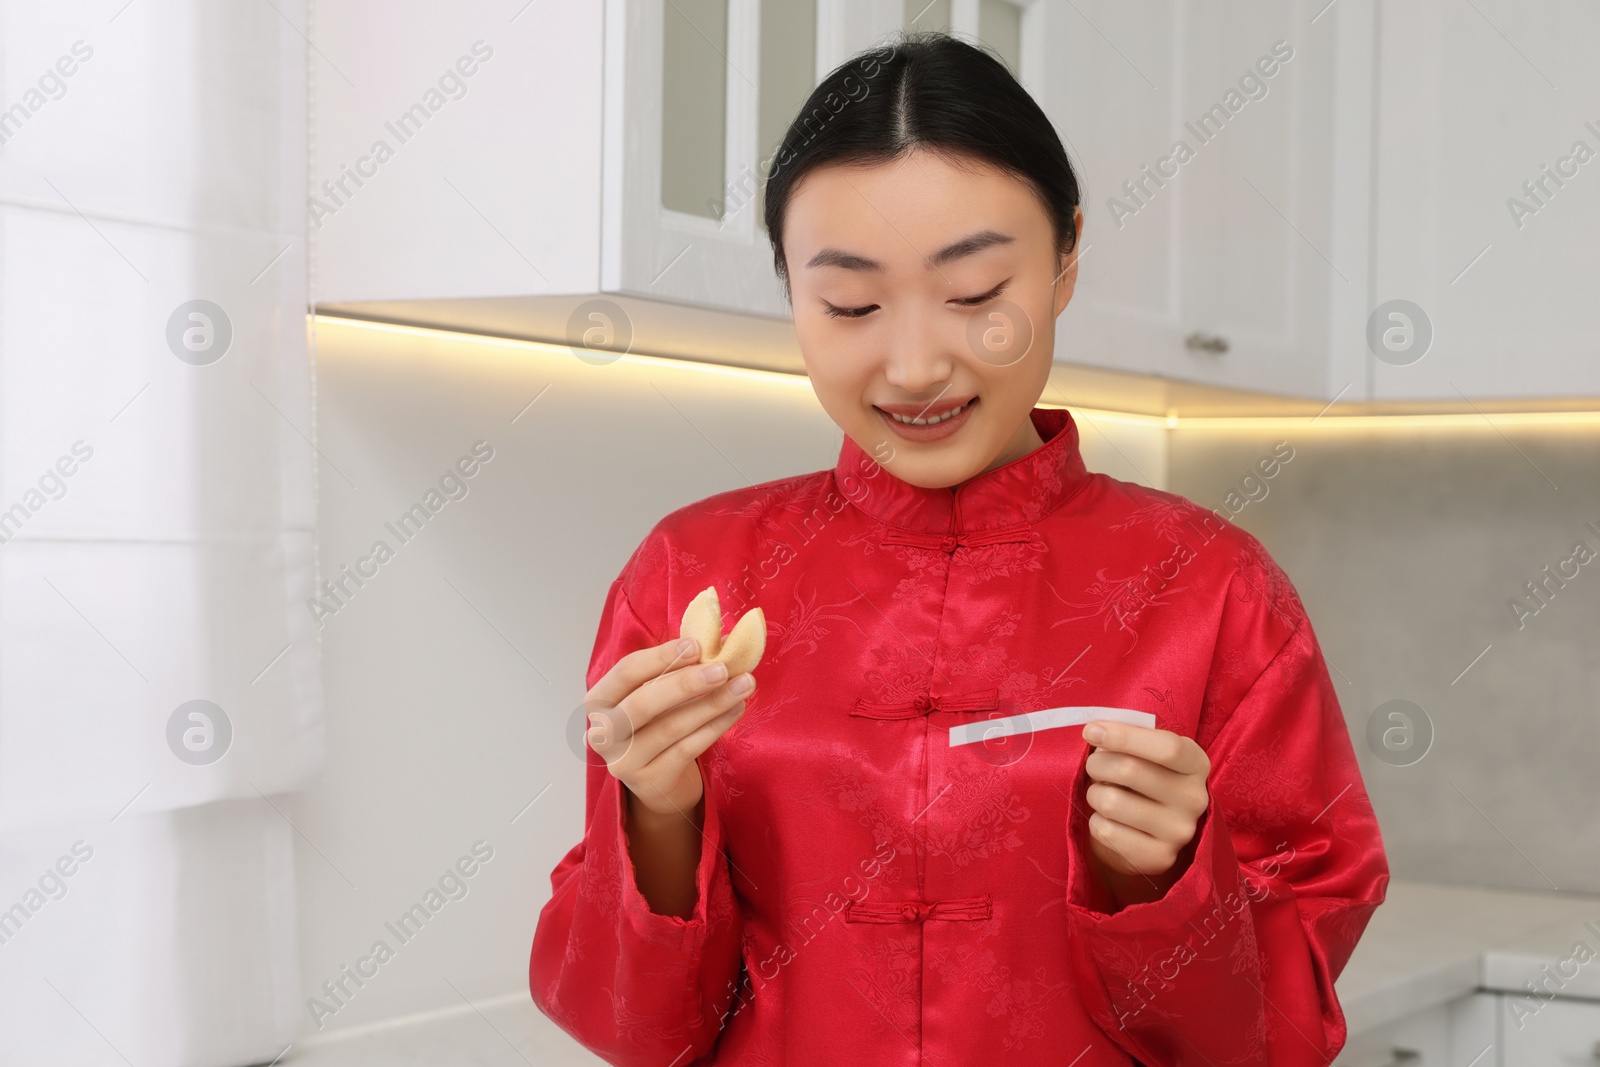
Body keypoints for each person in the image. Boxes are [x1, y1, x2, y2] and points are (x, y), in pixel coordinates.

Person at [530, 30, 1388, 1067]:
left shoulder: (1212, 589)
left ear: (1066, 256)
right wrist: (659, 816)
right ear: (790, 291)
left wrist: (1162, 880)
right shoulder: (688, 571)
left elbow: (1274, 1036)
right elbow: (631, 1029)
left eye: (977, 295)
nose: (916, 362)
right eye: (848, 303)